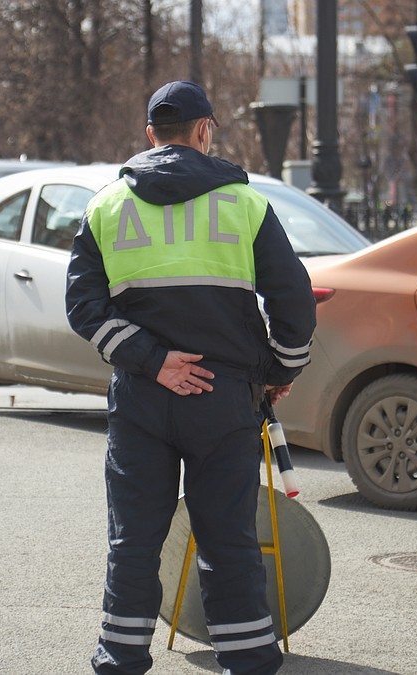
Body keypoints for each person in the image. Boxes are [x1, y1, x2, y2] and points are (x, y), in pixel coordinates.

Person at [65, 80, 316, 675]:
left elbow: (83, 307)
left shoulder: (107, 205)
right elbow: (295, 303)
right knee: (228, 537)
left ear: (151, 136)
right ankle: (248, 657)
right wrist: (278, 370)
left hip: (141, 399)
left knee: (134, 538)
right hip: (226, 398)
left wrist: (154, 362)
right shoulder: (245, 205)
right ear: (205, 131)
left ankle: (121, 656)